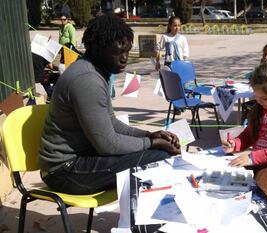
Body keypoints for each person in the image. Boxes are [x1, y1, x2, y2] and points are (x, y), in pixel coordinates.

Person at [39, 15, 181, 195]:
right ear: (98, 49)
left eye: (127, 51)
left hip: (79, 158)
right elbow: (108, 144)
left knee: (153, 154)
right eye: (117, 52)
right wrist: (152, 143)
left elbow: (111, 123)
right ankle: (143, 221)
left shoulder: (94, 71)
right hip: (63, 171)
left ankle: (140, 219)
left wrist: (149, 134)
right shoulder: (87, 80)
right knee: (159, 158)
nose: (124, 58)